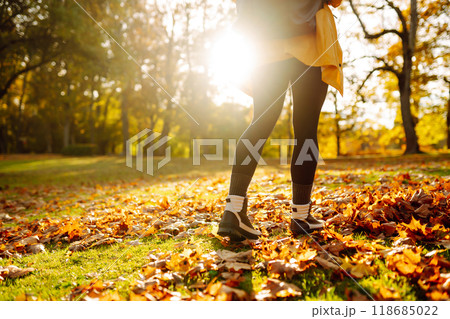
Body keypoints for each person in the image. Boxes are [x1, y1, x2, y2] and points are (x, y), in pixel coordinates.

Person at [218, 0, 344, 241]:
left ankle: (233, 211)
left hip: (263, 47)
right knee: (306, 130)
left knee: (260, 123)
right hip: (309, 44)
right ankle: (301, 216)